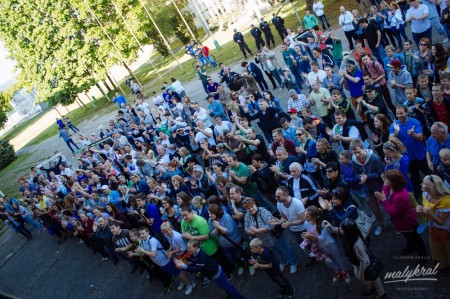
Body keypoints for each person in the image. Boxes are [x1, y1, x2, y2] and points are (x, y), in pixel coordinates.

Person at [327, 219, 386, 298]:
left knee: (369, 276)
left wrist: (361, 274)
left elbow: (363, 261)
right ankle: (375, 288)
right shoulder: (353, 233)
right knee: (373, 275)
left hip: (363, 264)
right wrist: (329, 226)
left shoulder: (356, 245)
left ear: (347, 231)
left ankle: (380, 292)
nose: (339, 229)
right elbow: (336, 230)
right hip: (361, 259)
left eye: (341, 228)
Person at [374, 170, 427, 256]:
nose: (384, 180)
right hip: (399, 221)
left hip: (407, 221)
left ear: (393, 182)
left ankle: (422, 254)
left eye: (387, 179)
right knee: (408, 236)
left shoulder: (401, 195)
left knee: (415, 238)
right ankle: (411, 247)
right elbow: (381, 201)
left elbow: (393, 212)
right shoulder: (388, 187)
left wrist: (383, 200)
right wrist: (381, 198)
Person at [173, 240, 245, 299]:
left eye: (189, 248)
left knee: (228, 287)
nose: (188, 250)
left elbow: (195, 269)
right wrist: (184, 263)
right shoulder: (193, 253)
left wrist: (183, 266)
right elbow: (192, 262)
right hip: (213, 274)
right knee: (223, 286)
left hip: (217, 274)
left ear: (196, 247)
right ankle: (230, 294)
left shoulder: (201, 256)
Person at [137, 226, 196, 296]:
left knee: (178, 272)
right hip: (160, 262)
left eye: (143, 233)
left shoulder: (152, 240)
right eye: (140, 234)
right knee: (174, 273)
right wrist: (139, 252)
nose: (141, 235)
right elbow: (145, 253)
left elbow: (153, 254)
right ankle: (183, 281)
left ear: (148, 232)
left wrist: (142, 250)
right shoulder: (143, 241)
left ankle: (190, 283)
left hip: (165, 259)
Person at [301, 206, 351, 284]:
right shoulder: (306, 223)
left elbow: (322, 238)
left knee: (338, 259)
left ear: (314, 216)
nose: (305, 217)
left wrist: (310, 236)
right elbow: (309, 233)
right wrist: (307, 238)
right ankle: (337, 271)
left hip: (330, 245)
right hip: (319, 247)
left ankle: (344, 272)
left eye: (307, 216)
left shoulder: (323, 223)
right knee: (328, 261)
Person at [350, 139, 386, 236]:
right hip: (368, 189)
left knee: (388, 206)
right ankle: (381, 225)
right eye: (354, 153)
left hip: (380, 187)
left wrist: (367, 176)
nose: (357, 155)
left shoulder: (375, 158)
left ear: (363, 148)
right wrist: (360, 177)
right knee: (375, 209)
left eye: (358, 152)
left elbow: (381, 174)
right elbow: (356, 174)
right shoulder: (354, 160)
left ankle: (395, 221)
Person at [390, 105, 430, 192]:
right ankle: (420, 195)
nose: (399, 115)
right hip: (408, 157)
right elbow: (390, 140)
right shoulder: (394, 125)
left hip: (421, 154)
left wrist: (412, 134)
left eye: (401, 113)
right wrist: (396, 132)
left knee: (430, 175)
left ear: (406, 113)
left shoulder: (415, 122)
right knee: (415, 178)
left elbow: (420, 138)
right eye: (397, 113)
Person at [416, 175, 450, 270]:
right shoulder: (426, 194)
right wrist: (421, 211)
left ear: (432, 187)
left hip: (446, 230)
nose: (421, 184)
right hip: (433, 228)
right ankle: (442, 265)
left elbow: (442, 222)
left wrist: (429, 214)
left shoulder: (446, 202)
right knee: (436, 249)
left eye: (424, 183)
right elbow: (426, 211)